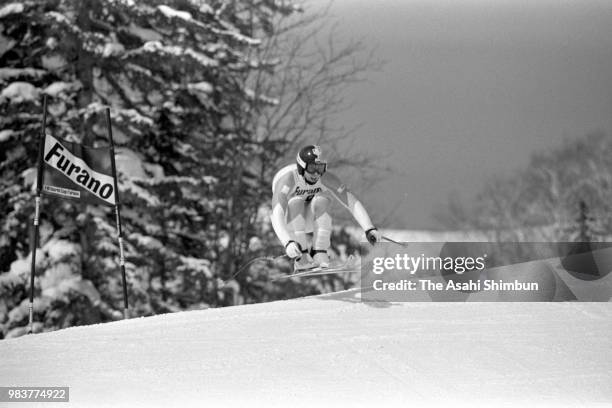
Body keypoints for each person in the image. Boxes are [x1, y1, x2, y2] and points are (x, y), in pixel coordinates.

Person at [270, 145, 382, 271]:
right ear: (302, 167)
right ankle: (302, 257)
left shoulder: (325, 178)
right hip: (288, 221)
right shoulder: (288, 179)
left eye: (320, 168)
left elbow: (351, 201)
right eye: (312, 168)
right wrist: (287, 242)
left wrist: (369, 228)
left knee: (323, 200)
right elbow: (276, 214)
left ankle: (319, 252)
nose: (316, 174)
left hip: (309, 219)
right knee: (296, 202)